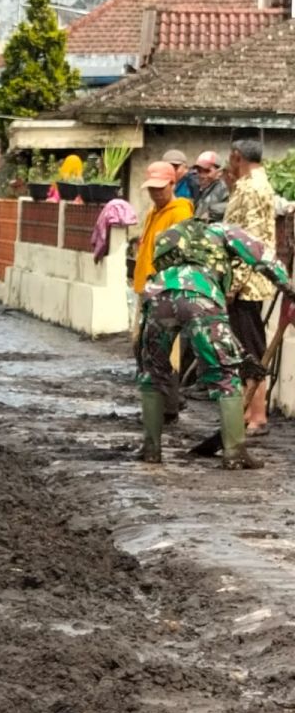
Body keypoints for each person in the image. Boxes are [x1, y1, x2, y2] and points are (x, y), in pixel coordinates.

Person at [137, 218, 294, 469]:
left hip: (158, 296)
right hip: (201, 294)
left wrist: (240, 353)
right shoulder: (223, 230)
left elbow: (161, 270)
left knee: (153, 372)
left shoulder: (171, 234)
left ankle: (151, 449)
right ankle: (235, 452)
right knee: (224, 375)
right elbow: (263, 257)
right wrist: (289, 289)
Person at [223, 138, 278, 435]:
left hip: (248, 284)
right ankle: (250, 410)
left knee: (251, 348)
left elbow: (250, 241)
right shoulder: (248, 185)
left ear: (237, 157)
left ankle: (258, 414)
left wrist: (235, 283)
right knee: (245, 346)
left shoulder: (254, 188)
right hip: (246, 280)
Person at [132, 161, 193, 418]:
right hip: (147, 289)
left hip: (164, 291)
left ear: (172, 184)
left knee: (157, 350)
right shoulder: (153, 213)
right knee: (143, 347)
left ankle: (167, 406)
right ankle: (165, 403)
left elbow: (179, 253)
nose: (156, 193)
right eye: (152, 189)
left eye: (160, 188)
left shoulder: (179, 212)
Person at [191, 151, 229, 222]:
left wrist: (211, 212)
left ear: (219, 172)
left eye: (207, 171)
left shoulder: (224, 189)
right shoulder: (200, 188)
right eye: (199, 171)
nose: (202, 175)